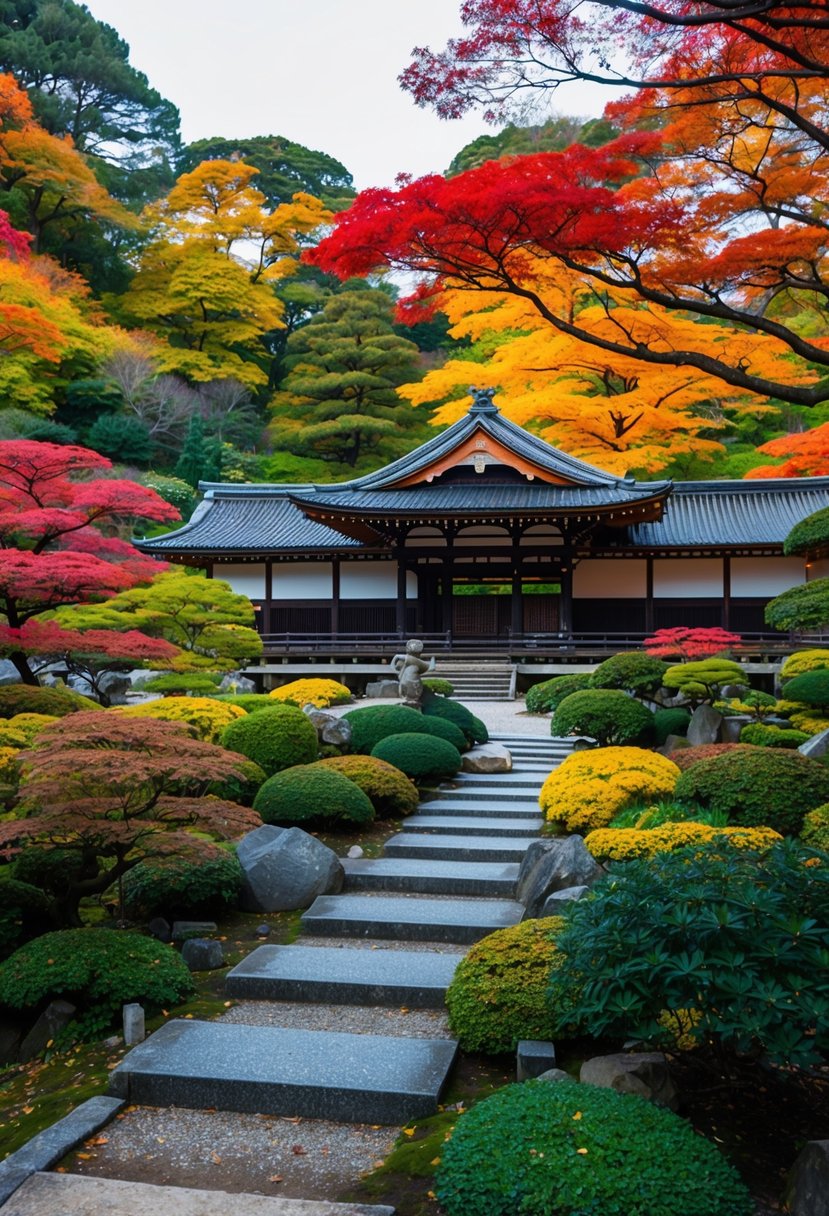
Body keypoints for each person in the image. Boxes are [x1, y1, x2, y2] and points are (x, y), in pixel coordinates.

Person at [390, 638, 435, 707]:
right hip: (406, 684)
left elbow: (428, 667)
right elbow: (396, 666)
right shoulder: (411, 662)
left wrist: (397, 657)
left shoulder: (414, 662)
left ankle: (411, 699)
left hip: (412, 686)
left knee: (412, 671)